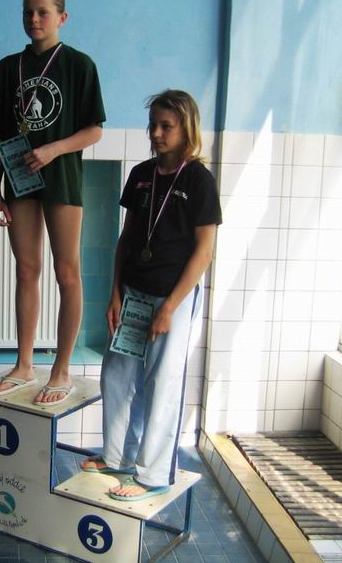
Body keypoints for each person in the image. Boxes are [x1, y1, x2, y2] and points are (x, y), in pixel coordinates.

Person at [80, 90, 222, 500]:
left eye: (166, 126)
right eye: (153, 125)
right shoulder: (141, 174)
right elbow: (126, 239)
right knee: (117, 375)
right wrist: (114, 294)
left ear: (186, 129)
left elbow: (204, 252)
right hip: (133, 295)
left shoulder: (198, 180)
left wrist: (170, 308)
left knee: (162, 382)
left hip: (172, 298)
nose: (156, 133)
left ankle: (153, 474)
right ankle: (116, 457)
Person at [0, 0, 105, 405]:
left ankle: (62, 370)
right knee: (26, 270)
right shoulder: (6, 69)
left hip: (62, 180)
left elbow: (94, 130)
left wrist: (54, 149)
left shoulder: (79, 65)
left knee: (67, 272)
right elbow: (0, 136)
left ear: (61, 18)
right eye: (27, 12)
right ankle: (24, 364)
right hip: (19, 183)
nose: (34, 19)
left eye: (43, 12)